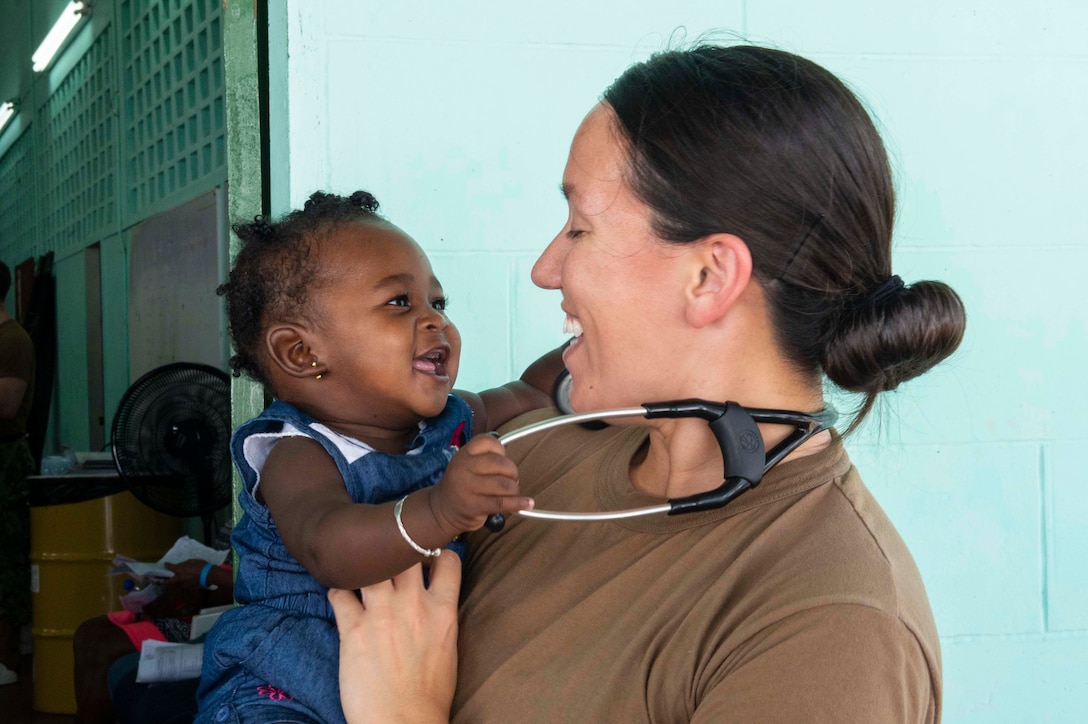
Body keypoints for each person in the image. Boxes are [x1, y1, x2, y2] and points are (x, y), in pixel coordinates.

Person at [330, 43, 966, 722]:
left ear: (709, 278)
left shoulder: (831, 624)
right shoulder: (520, 462)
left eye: (580, 227)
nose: (547, 268)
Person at [195, 190, 559, 723]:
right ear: (302, 352)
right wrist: (441, 510)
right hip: (281, 687)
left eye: (438, 303)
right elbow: (329, 547)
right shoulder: (296, 451)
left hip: (406, 683)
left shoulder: (448, 420)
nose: (436, 322)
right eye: (399, 303)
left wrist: (597, 340)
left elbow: (531, 389)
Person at [73, 544, 234, 723]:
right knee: (87, 632)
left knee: (103, 650)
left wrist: (206, 574)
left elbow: (259, 586)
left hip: (218, 618)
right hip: (199, 603)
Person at [0, 260, 35, 687]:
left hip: (6, 462)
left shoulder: (13, 341)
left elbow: (6, 405)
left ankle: (8, 659)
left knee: (7, 559)